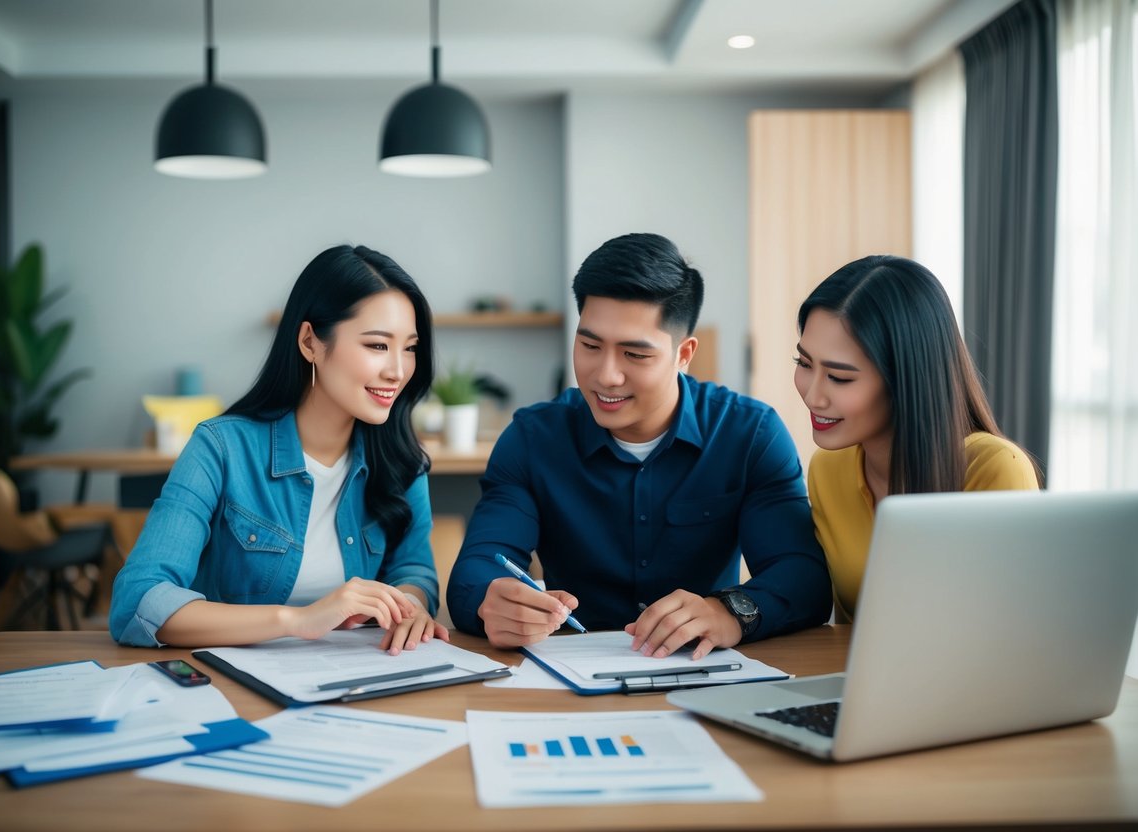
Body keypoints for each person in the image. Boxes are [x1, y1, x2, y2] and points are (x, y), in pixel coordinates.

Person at [447, 233, 831, 659]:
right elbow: (478, 566)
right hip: (570, 670)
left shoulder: (749, 434)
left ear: (683, 354)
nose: (606, 375)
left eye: (635, 355)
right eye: (590, 345)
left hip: (699, 667)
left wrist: (729, 613)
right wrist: (490, 603)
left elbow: (802, 576)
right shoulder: (532, 438)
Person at [110, 245, 447, 651]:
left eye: (409, 348)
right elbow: (138, 601)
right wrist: (300, 620)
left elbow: (413, 568)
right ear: (310, 342)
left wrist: (409, 604)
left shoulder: (402, 460)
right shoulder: (220, 449)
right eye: (377, 345)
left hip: (359, 680)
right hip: (228, 687)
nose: (398, 370)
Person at [794, 255, 1040, 621]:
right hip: (861, 677)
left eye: (840, 378)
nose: (813, 397)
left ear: (906, 379)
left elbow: (1013, 629)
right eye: (803, 363)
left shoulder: (994, 469)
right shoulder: (827, 469)